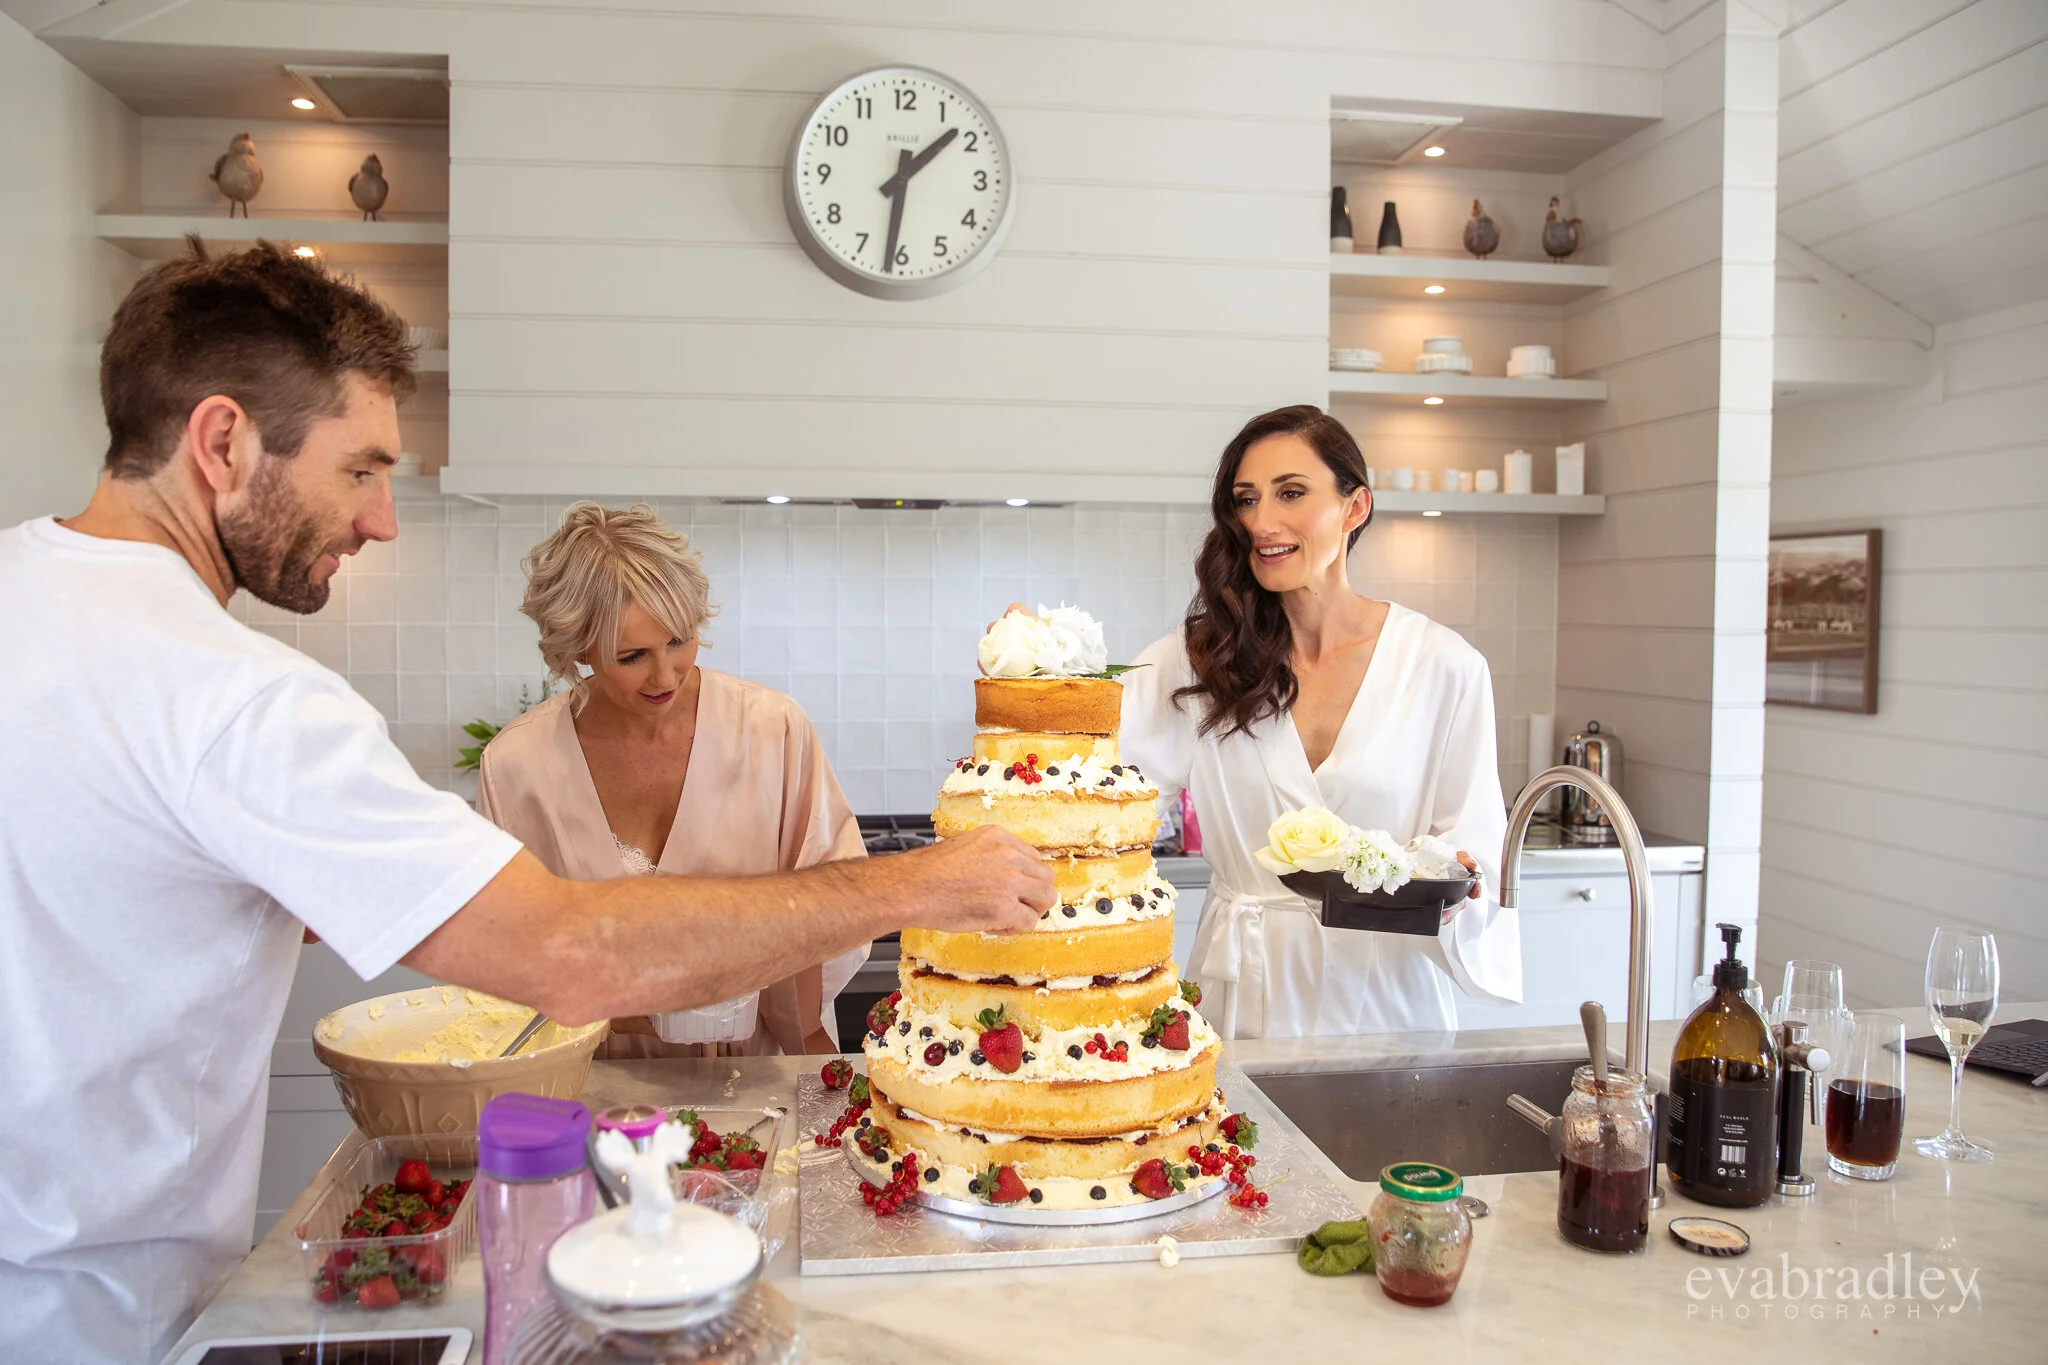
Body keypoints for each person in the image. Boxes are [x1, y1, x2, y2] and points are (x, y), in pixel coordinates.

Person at [0, 242, 1050, 1365]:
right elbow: (570, 954)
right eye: (360, 468)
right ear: (221, 443)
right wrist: (930, 878)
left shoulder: (30, 594)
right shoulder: (236, 699)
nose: (382, 520)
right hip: (98, 1309)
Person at [1120, 404, 1520, 1037]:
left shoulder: (1443, 666)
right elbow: (1097, 782)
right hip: (1244, 1000)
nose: (1262, 522)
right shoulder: (1198, 659)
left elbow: (1476, 853)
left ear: (1354, 507)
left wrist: (1458, 882)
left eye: (1292, 494)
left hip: (1390, 1005)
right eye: (1246, 500)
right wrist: (1036, 667)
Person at [477, 503, 864, 1059]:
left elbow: (830, 901)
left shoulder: (771, 729)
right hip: (587, 1085)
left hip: (749, 1076)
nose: (665, 677)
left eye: (679, 641)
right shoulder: (517, 767)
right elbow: (500, 952)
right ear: (578, 649)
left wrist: (806, 1045)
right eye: (632, 656)